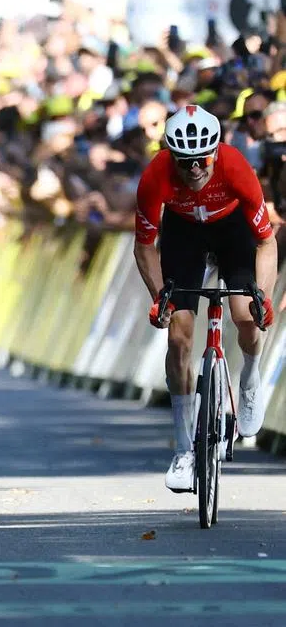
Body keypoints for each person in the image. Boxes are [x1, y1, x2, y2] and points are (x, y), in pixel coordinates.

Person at [133, 104, 277, 494]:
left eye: (202, 159)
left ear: (215, 153)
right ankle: (183, 449)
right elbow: (145, 247)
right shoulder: (155, 177)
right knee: (179, 336)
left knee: (244, 312)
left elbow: (266, 241)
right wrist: (159, 295)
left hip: (232, 230)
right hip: (183, 233)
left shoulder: (236, 168)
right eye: (184, 162)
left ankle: (249, 375)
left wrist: (262, 295)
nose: (194, 168)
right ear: (172, 158)